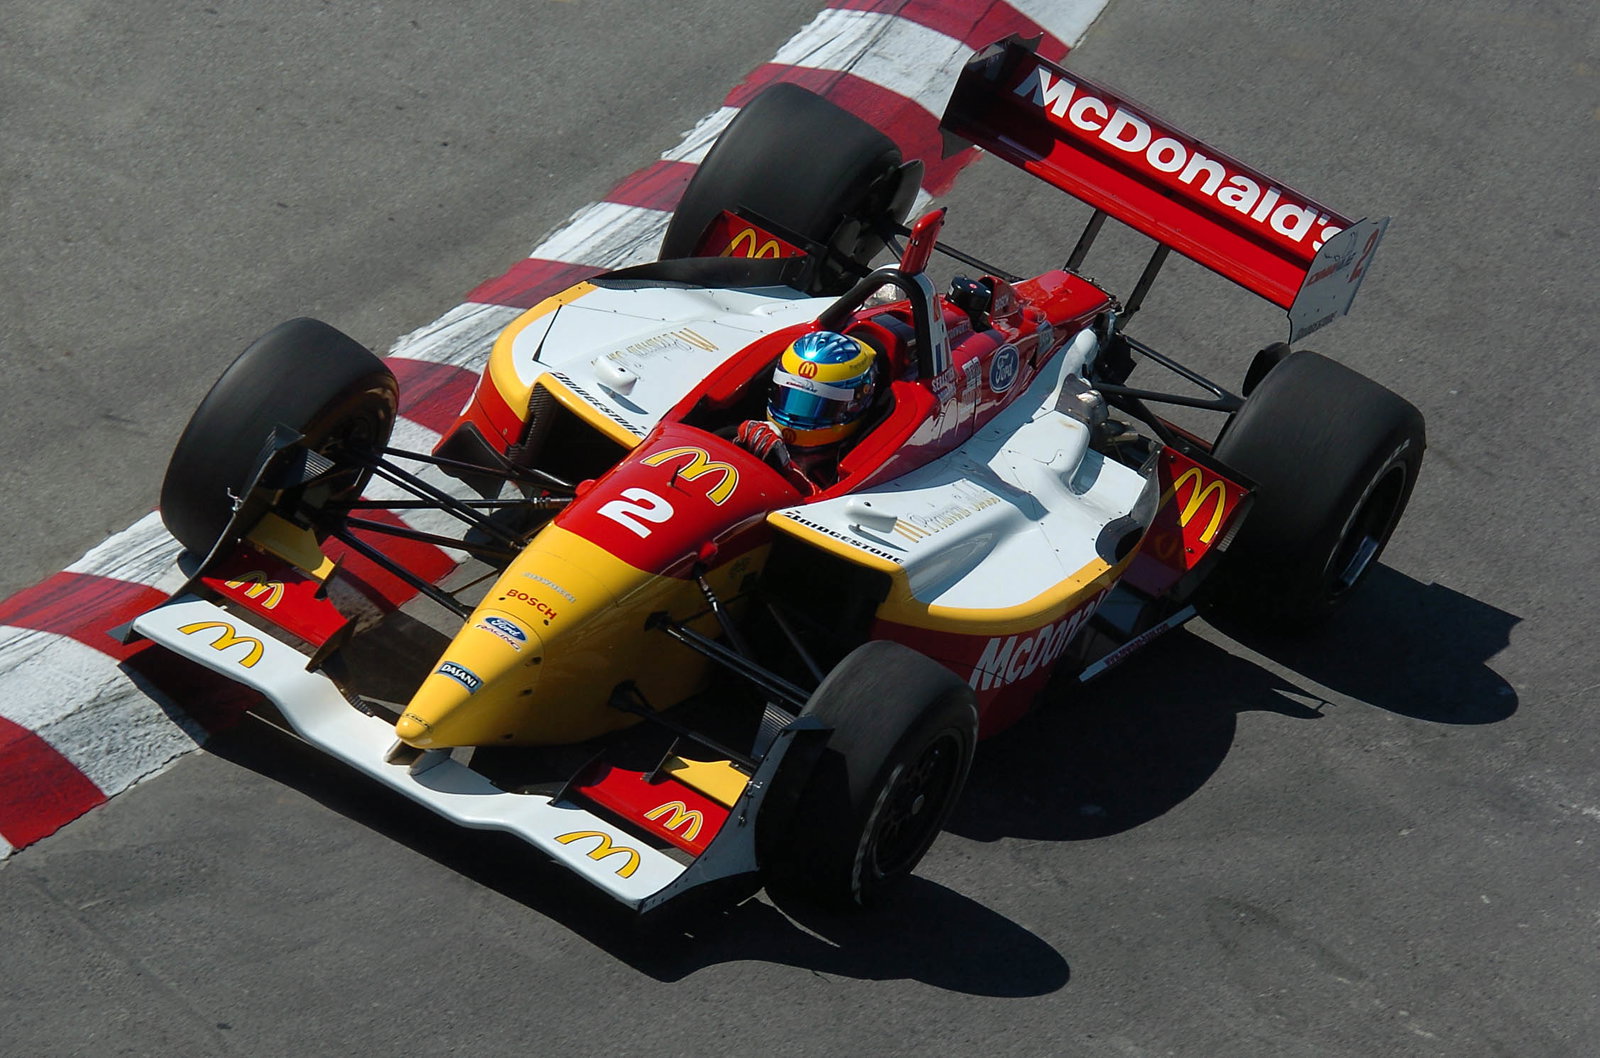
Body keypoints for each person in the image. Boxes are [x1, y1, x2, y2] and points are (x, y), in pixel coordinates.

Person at [736, 329, 878, 492]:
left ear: (855, 404)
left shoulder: (848, 464)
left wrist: (788, 474)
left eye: (818, 407)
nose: (793, 418)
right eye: (789, 397)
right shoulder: (754, 433)